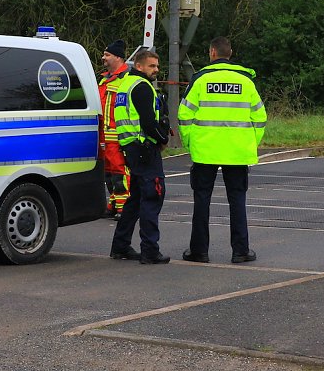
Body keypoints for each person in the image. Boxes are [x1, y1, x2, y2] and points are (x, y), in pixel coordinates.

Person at [178, 37, 266, 264]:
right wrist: (250, 142)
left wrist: (190, 143)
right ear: (230, 52)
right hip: (237, 152)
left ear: (212, 53)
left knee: (202, 200)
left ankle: (199, 251)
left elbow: (184, 115)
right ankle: (240, 251)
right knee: (237, 201)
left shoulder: (200, 80)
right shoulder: (246, 82)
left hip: (205, 151)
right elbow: (260, 117)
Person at [109, 49, 171, 264]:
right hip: (145, 148)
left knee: (134, 199)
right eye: (152, 66)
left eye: (157, 66)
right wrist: (162, 138)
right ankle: (150, 250)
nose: (156, 70)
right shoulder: (142, 87)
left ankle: (121, 245)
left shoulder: (125, 84)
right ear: (139, 65)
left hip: (131, 148)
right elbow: (147, 122)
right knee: (152, 197)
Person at [98, 39, 130, 219]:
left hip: (118, 135)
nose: (103, 58)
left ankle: (124, 206)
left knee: (120, 171)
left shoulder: (126, 79)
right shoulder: (104, 79)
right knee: (108, 173)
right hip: (104, 136)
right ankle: (114, 202)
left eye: (107, 55)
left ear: (118, 57)